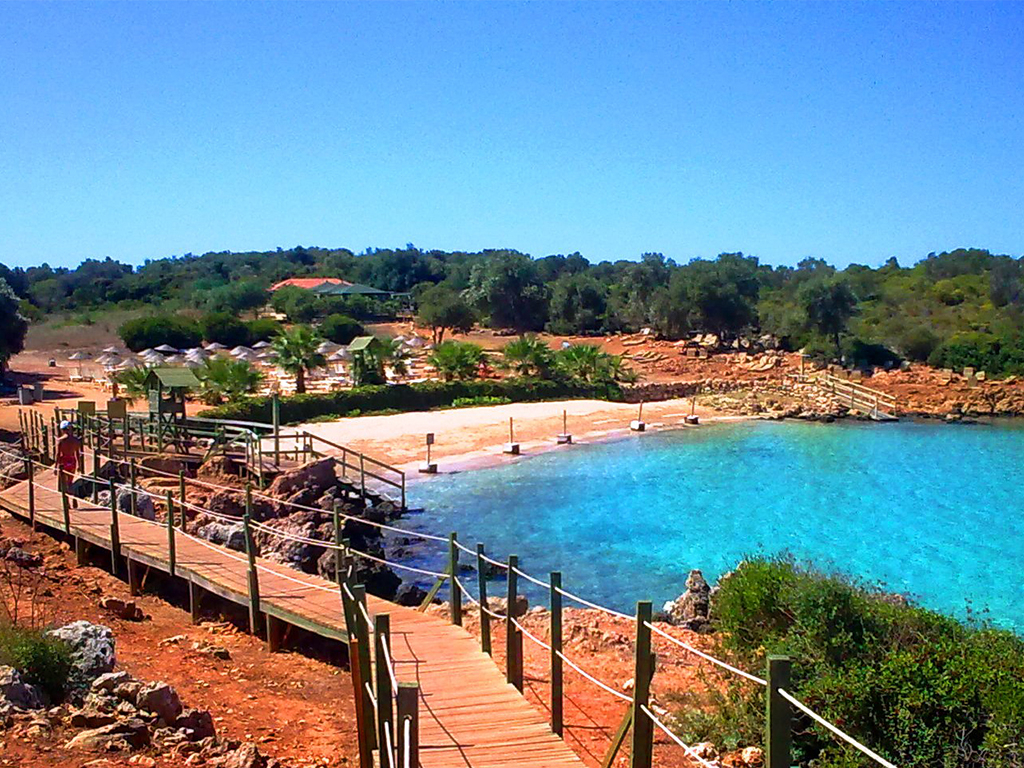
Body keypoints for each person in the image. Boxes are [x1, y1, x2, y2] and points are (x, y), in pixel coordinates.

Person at [55, 420, 82, 507]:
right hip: (72, 460)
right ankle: (74, 498)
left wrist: (56, 466)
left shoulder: (61, 440)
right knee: (70, 482)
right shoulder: (76, 440)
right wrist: (79, 465)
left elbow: (58, 454)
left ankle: (67, 503)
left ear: (62, 430)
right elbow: (78, 454)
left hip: (64, 461)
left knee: (64, 483)